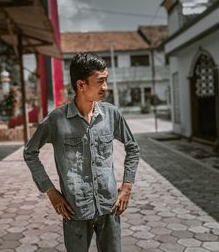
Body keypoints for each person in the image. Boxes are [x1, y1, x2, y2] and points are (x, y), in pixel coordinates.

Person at [23, 52, 140, 252]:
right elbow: (30, 152)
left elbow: (133, 148)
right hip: (75, 210)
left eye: (106, 80)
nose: (105, 87)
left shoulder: (112, 114)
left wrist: (126, 187)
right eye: (100, 81)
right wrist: (51, 192)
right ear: (81, 84)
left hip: (109, 208)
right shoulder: (56, 119)